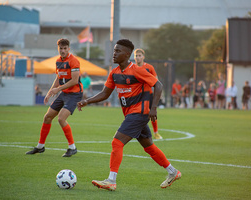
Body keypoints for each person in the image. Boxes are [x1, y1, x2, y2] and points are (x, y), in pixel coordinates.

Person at [77, 39, 181, 191]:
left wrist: (154, 108)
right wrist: (87, 101)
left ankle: (111, 180)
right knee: (149, 147)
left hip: (139, 113)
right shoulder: (114, 73)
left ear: (127, 54)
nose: (114, 53)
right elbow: (105, 93)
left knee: (117, 142)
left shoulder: (137, 70)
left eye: (118, 51)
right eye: (114, 50)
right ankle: (173, 172)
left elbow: (158, 85)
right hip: (131, 115)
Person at [26, 38, 83, 157]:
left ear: (69, 48)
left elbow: (74, 81)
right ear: (58, 48)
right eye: (60, 48)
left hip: (74, 94)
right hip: (64, 93)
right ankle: (40, 146)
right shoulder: (58, 61)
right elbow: (58, 78)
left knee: (61, 119)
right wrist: (50, 92)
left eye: (65, 48)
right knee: (47, 117)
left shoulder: (74, 61)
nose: (62, 51)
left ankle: (72, 147)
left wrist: (58, 89)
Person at [134, 48, 163, 140]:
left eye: (139, 56)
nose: (138, 57)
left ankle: (155, 133)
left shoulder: (149, 68)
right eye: (136, 56)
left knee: (151, 114)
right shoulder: (133, 68)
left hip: (148, 94)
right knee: (135, 113)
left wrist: (157, 94)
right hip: (137, 95)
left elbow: (156, 81)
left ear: (143, 57)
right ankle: (135, 131)